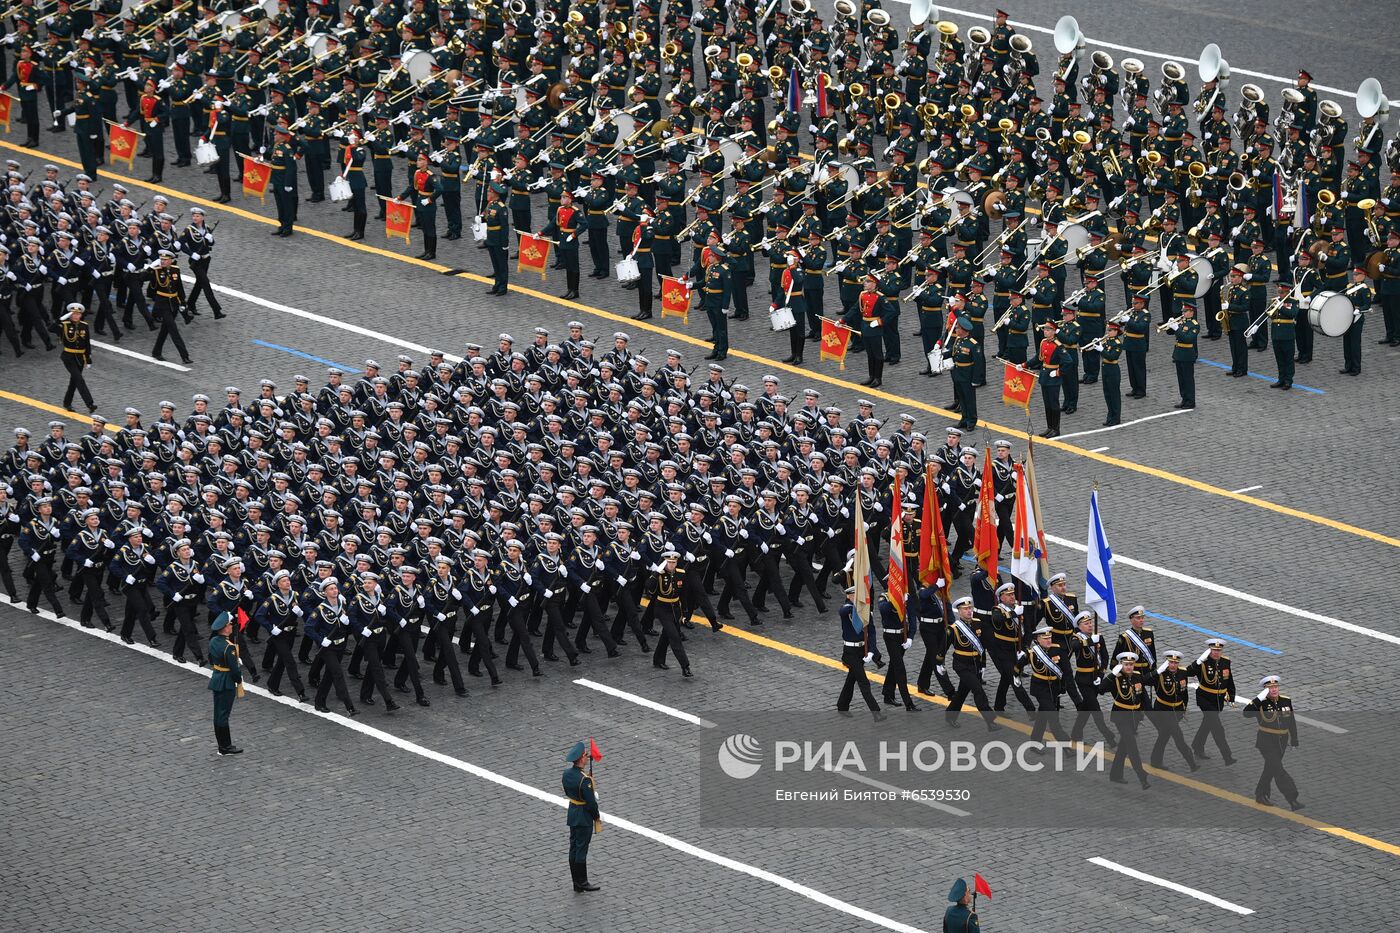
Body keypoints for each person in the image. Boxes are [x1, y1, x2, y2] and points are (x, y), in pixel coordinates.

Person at [1243, 674, 1302, 809]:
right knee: (1278, 770)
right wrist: (1258, 698)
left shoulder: (1286, 701)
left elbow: (1291, 721)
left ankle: (1260, 794)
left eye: (1275, 686)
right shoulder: (1261, 703)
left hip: (1282, 742)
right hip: (1266, 742)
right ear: (1265, 690)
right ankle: (1292, 798)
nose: (1274, 689)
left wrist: (1294, 739)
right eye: (1270, 688)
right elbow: (1246, 713)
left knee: (1270, 769)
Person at [1101, 651, 1151, 789]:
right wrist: (1112, 674)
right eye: (1126, 664)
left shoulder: (1137, 676)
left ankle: (1115, 775)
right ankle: (1142, 775)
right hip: (1121, 717)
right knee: (1132, 746)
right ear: (1121, 665)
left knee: (1123, 747)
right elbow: (1101, 689)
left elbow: (1143, 697)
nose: (1129, 667)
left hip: (1134, 718)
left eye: (1131, 664)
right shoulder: (1116, 678)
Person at [1187, 638, 1237, 764]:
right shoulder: (1203, 662)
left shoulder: (1225, 662)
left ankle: (1197, 746)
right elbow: (1188, 672)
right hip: (1205, 699)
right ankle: (1227, 756)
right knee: (1217, 728)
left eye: (1218, 650)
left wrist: (1231, 697)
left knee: (1207, 724)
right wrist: (1198, 661)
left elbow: (1229, 680)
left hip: (1218, 701)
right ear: (1209, 650)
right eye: (1214, 650)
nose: (1216, 652)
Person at [1149, 649, 1199, 772]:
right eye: (1171, 662)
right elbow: (1144, 680)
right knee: (1178, 737)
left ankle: (1155, 760)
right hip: (1163, 710)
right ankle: (1192, 763)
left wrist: (1184, 708)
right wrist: (1157, 672)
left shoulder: (1182, 673)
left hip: (1177, 710)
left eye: (1176, 663)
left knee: (1164, 735)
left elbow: (1184, 693)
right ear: (1167, 662)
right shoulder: (1160, 674)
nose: (1173, 665)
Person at [837, 584, 883, 718]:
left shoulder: (864, 610)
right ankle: (876, 713)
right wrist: (859, 607)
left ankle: (842, 706)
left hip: (862, 650)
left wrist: (872, 651)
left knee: (851, 680)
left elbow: (872, 632)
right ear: (850, 596)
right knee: (863, 681)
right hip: (850, 652)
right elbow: (842, 611)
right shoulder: (847, 609)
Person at [563, 740, 602, 892]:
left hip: (573, 813)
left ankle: (576, 882)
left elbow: (568, 791)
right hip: (584, 817)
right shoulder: (585, 780)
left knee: (573, 847)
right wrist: (596, 817)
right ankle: (582, 882)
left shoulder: (567, 774)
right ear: (581, 759)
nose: (587, 757)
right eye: (586, 755)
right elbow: (591, 803)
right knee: (581, 849)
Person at [208, 610, 244, 756]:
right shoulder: (229, 647)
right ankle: (225, 747)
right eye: (229, 624)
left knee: (218, 714)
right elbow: (234, 670)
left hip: (217, 678)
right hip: (227, 681)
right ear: (224, 628)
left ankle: (222, 745)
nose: (231, 626)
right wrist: (238, 679)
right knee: (223, 715)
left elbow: (211, 659)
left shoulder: (213, 641)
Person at [55, 302, 96, 414]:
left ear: (81, 315)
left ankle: (67, 403)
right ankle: (90, 403)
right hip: (68, 357)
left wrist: (88, 360)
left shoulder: (84, 325)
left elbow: (87, 344)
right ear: (70, 315)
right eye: (73, 314)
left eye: (78, 314)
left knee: (74, 381)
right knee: (79, 379)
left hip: (80, 357)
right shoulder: (64, 324)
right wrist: (60, 319)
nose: (76, 316)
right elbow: (51, 329)